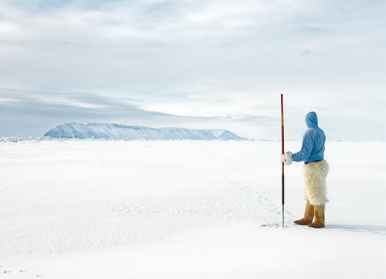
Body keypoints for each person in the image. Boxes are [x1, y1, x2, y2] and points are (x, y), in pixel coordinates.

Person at [281, 111, 329, 228]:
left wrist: (290, 157)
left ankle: (319, 220)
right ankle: (308, 217)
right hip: (320, 165)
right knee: (310, 193)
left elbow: (305, 153)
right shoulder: (321, 132)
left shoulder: (309, 133)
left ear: (307, 120)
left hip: (313, 167)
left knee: (316, 194)